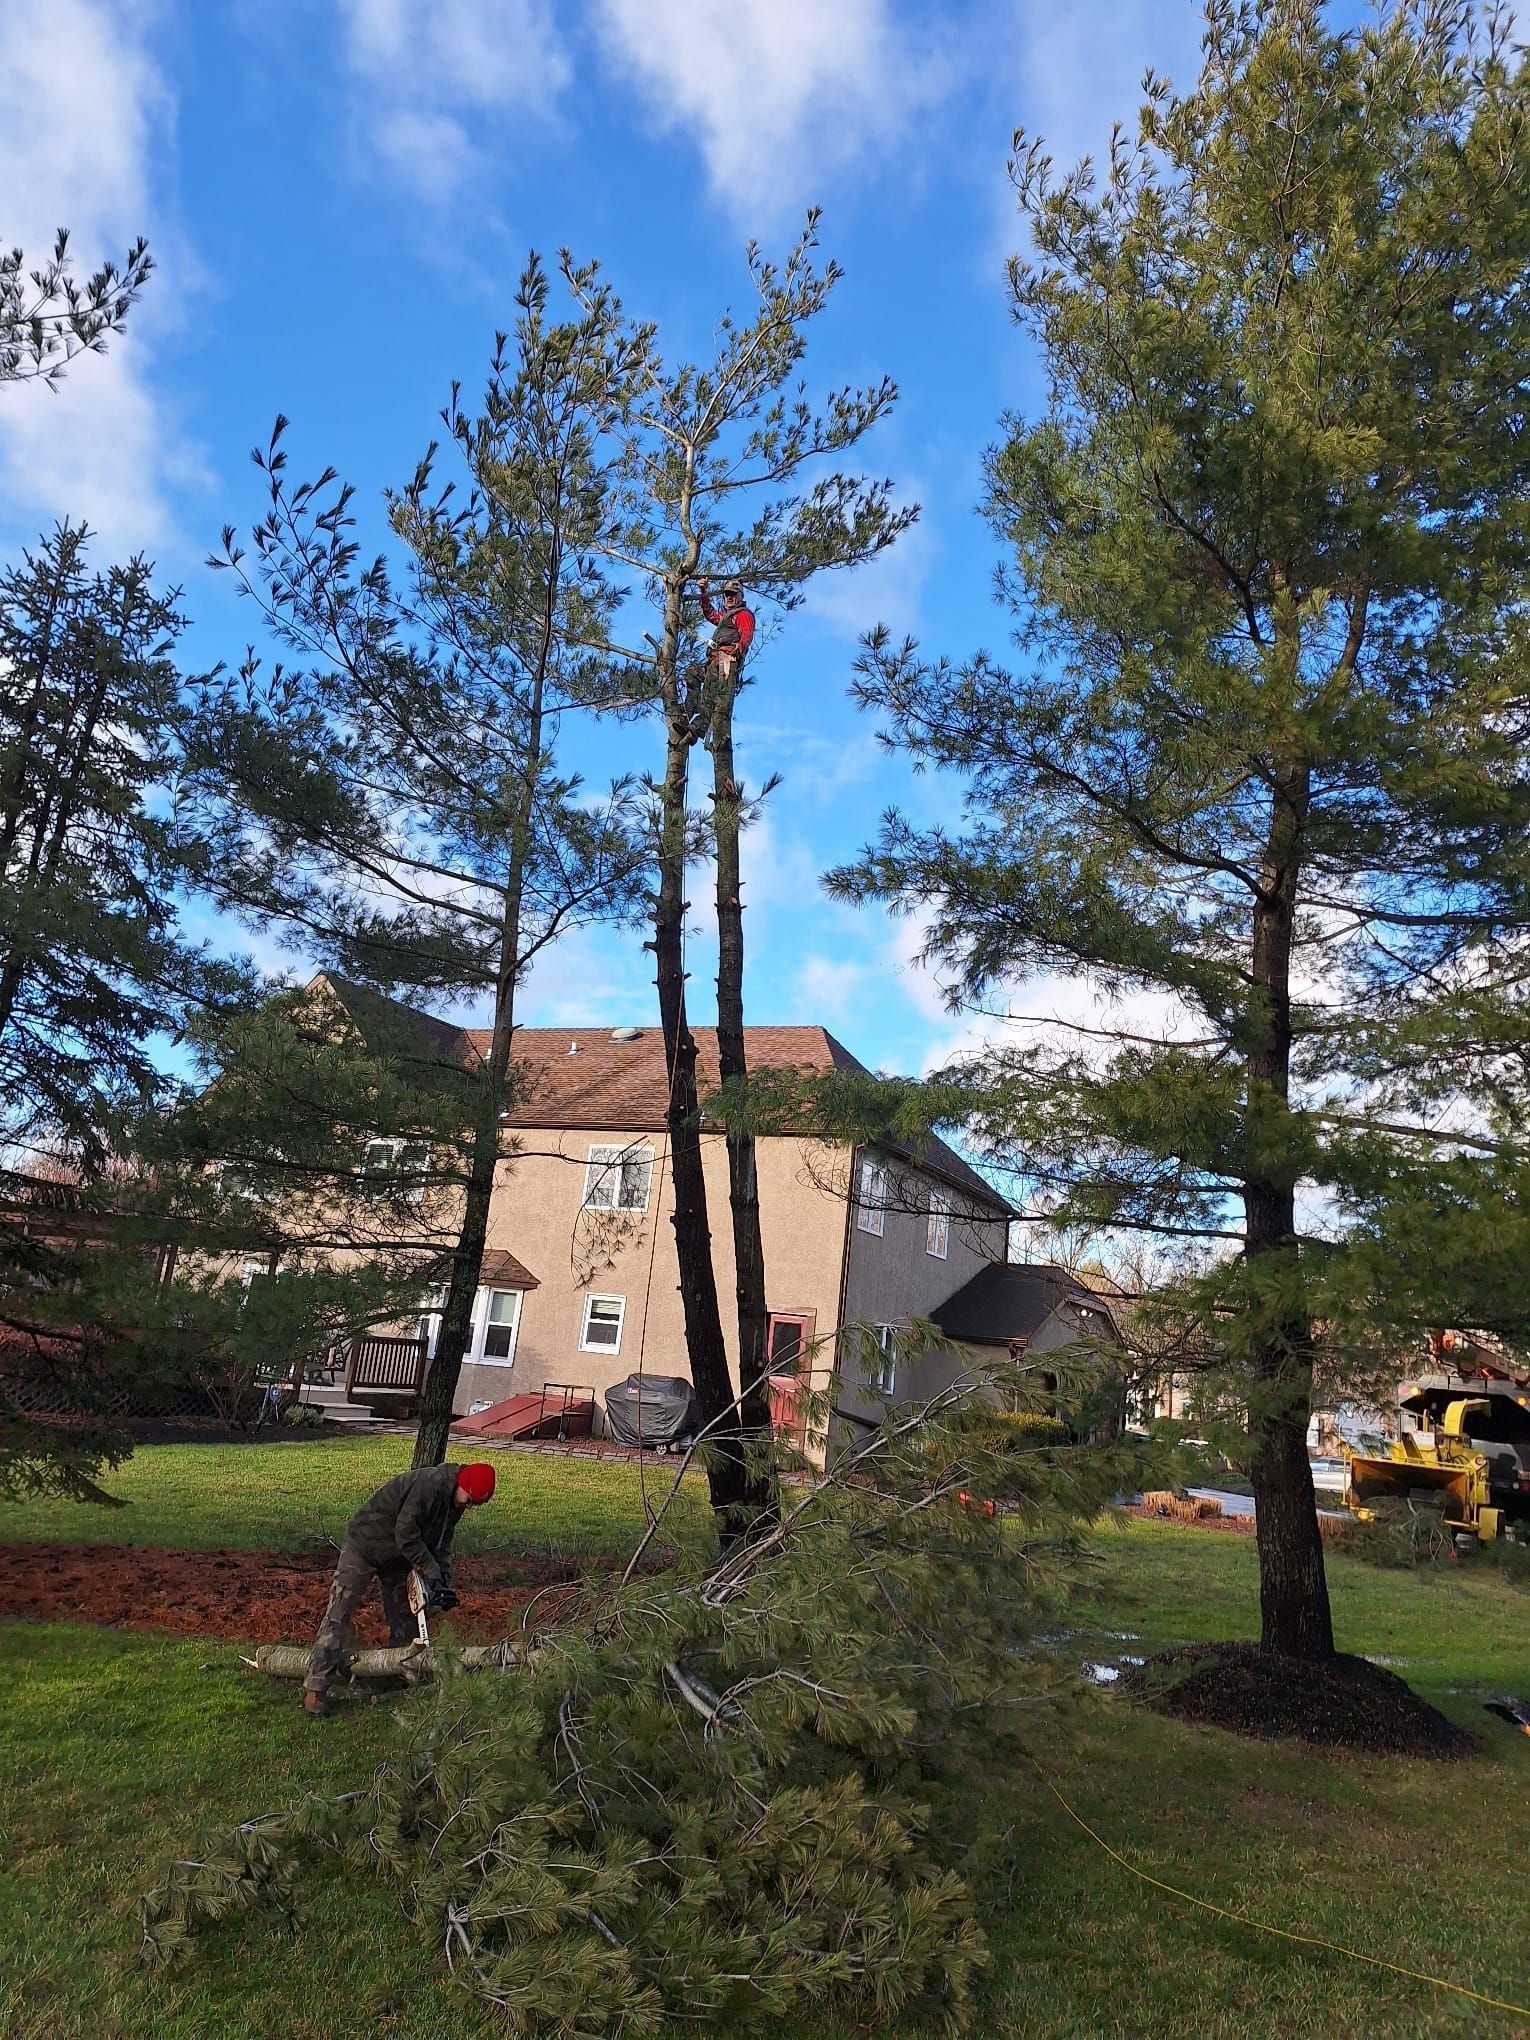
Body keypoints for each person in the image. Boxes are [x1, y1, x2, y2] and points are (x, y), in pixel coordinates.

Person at [302, 1459, 496, 1717]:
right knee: (340, 1611)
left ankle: (396, 1673)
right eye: (470, 1500)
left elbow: (442, 1542)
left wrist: (443, 1581)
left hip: (397, 1557)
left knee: (405, 1618)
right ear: (463, 1483)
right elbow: (405, 1533)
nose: (468, 1506)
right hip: (365, 1544)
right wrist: (429, 1566)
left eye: (475, 1504)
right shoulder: (430, 1484)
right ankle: (316, 1687)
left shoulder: (454, 1500)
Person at [697, 575, 755, 679]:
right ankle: (693, 696)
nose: (729, 597)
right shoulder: (726, 617)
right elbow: (710, 614)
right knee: (692, 673)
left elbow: (747, 635)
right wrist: (704, 592)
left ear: (741, 596)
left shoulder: (743, 614)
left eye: (733, 594)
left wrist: (737, 648)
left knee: (718, 693)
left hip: (726, 661)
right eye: (727, 594)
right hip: (714, 661)